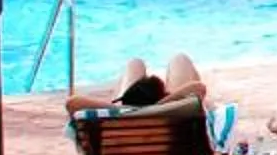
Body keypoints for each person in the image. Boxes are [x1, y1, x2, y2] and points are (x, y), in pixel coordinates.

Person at [63, 51, 204, 118]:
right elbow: (198, 87)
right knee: (179, 59)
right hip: (170, 117)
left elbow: (72, 102)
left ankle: (131, 100)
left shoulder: (118, 114)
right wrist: (158, 107)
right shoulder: (179, 107)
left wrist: (128, 109)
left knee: (135, 63)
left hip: (124, 122)